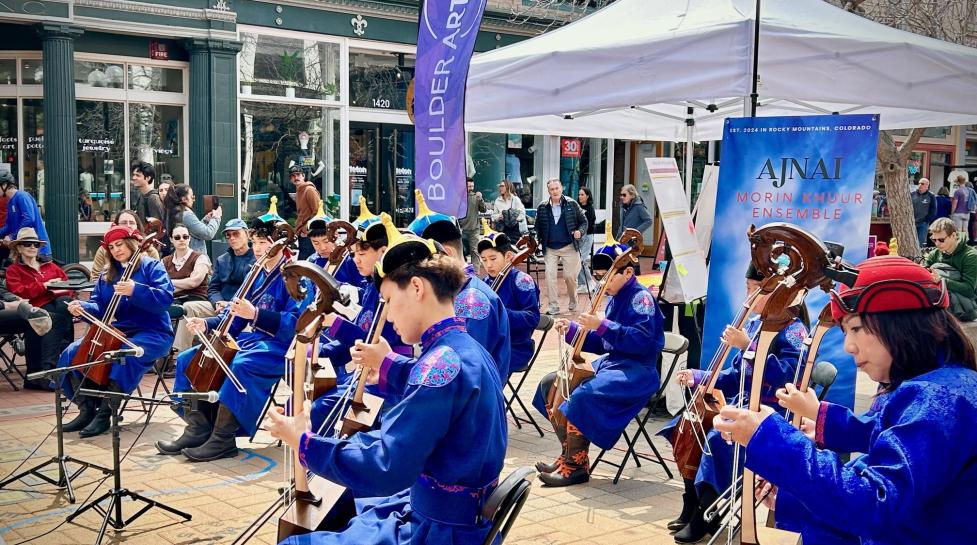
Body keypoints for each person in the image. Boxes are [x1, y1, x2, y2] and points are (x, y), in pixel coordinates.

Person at [715, 255, 977, 545]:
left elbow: (877, 503)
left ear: (900, 323)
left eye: (856, 329)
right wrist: (792, 494)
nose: (848, 346)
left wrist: (773, 439)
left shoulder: (939, 398)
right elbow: (886, 441)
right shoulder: (943, 386)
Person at [265, 230, 507, 545]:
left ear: (417, 288)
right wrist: (388, 363)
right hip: (451, 513)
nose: (389, 315)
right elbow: (439, 386)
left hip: (435, 532)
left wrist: (304, 442)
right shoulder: (466, 351)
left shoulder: (440, 364)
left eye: (390, 301)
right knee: (349, 505)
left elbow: (386, 465)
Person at [658, 263, 807, 543]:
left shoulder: (794, 331)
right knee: (688, 426)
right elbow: (737, 375)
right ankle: (692, 501)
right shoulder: (755, 323)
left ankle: (706, 513)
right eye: (748, 288)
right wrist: (700, 376)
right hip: (743, 403)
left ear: (780, 294)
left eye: (756, 290)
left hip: (772, 413)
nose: (748, 297)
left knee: (717, 438)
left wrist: (748, 345)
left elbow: (790, 375)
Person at [158, 216, 301, 461]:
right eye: (255, 242)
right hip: (254, 341)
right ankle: (197, 429)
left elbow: (297, 324)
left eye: (263, 242)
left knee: (240, 364)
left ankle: (223, 438)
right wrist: (207, 323)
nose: (257, 249)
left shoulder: (296, 276)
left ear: (279, 244)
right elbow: (233, 316)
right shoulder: (255, 272)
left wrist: (256, 314)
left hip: (281, 346)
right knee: (189, 357)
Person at [532, 240, 664, 487]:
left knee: (581, 396)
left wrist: (602, 325)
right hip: (614, 364)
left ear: (627, 272)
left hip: (637, 370)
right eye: (599, 278)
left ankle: (576, 466)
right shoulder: (615, 296)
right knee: (550, 384)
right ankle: (568, 455)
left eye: (608, 277)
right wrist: (572, 330)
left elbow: (643, 341)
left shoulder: (640, 298)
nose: (603, 283)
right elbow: (606, 343)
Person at [59, 225, 174, 437]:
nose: (116, 250)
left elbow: (166, 300)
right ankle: (87, 409)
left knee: (123, 356)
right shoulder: (107, 274)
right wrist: (82, 308)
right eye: (111, 247)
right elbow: (99, 308)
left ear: (131, 243)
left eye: (119, 244)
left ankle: (105, 414)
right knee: (72, 353)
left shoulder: (151, 266)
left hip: (154, 332)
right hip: (121, 331)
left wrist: (135, 290)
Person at [308, 213, 413, 434]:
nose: (356, 259)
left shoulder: (393, 294)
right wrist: (318, 352)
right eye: (354, 254)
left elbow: (377, 341)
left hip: (389, 379)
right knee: (315, 395)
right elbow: (360, 337)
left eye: (362, 253)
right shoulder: (370, 288)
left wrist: (336, 324)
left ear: (383, 253)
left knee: (322, 408)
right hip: (365, 372)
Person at [409, 190, 511, 380]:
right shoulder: (455, 291)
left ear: (445, 253)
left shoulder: (471, 301)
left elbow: (465, 370)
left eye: (423, 262)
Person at [4, 228, 74, 390]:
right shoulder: (14, 270)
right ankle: (51, 370)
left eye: (35, 244)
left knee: (65, 306)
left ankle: (44, 372)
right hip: (32, 308)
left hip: (56, 304)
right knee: (58, 317)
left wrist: (56, 289)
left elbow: (68, 285)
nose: (32, 247)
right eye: (27, 244)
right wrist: (44, 286)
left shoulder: (51, 266)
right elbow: (19, 292)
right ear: (19, 248)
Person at [478, 230, 540, 377]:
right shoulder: (485, 283)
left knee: (482, 368)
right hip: (491, 345)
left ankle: (490, 398)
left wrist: (500, 313)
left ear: (509, 256)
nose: (488, 265)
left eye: (493, 258)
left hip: (515, 347)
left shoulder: (521, 280)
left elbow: (533, 317)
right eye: (484, 260)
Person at [535, 179, 588, 316]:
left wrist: (579, 232)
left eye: (557, 188)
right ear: (548, 191)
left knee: (569, 277)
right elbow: (537, 227)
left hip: (569, 246)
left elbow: (584, 222)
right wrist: (536, 240)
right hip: (550, 248)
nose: (555, 191)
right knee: (550, 276)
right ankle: (553, 306)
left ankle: (573, 299)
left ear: (561, 188)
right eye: (552, 189)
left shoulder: (571, 204)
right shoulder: (542, 207)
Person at [163, 224, 214, 352]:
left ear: (189, 238)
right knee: (155, 308)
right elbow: (160, 286)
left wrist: (170, 282)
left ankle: (180, 352)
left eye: (185, 236)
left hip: (197, 298)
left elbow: (194, 282)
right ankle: (158, 352)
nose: (182, 239)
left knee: (186, 308)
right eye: (177, 237)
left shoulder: (200, 258)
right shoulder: (164, 261)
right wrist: (183, 283)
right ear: (171, 239)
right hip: (173, 299)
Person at [923, 217, 977, 321]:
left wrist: (942, 281)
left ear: (953, 235)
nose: (937, 243)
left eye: (941, 240)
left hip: (966, 304)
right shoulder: (935, 254)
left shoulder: (970, 256)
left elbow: (969, 290)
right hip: (941, 300)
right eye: (934, 240)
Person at [90, 210, 161, 279]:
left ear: (137, 226)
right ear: (116, 225)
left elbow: (157, 280)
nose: (128, 225)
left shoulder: (150, 251)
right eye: (124, 223)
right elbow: (95, 277)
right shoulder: (104, 250)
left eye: (132, 223)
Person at [208, 218, 256, 313]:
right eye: (228, 235)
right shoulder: (222, 260)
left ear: (247, 234)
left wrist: (230, 304)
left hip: (244, 308)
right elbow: (213, 288)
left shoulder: (257, 260)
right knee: (189, 307)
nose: (232, 238)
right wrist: (218, 302)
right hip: (220, 306)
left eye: (236, 234)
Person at [0, 173, 51, 260]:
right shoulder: (10, 202)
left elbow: (29, 219)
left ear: (4, 185)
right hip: (22, 249)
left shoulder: (22, 196)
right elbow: (9, 226)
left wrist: (12, 236)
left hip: (36, 248)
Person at [163, 184, 221, 254]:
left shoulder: (173, 212)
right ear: (184, 199)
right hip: (193, 258)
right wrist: (216, 218)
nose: (194, 200)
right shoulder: (186, 215)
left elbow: (195, 231)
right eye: (192, 197)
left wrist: (206, 219)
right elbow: (207, 233)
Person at [617, 184, 652, 272]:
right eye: (621, 195)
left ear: (632, 195)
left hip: (633, 241)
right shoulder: (622, 206)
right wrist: (617, 239)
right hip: (623, 240)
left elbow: (649, 220)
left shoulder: (638, 206)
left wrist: (635, 232)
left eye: (624, 195)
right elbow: (621, 225)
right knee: (623, 267)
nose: (622, 197)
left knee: (633, 266)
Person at [290, 165, 321, 260]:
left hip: (308, 232)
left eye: (298, 175)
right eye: (293, 176)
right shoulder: (299, 191)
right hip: (302, 233)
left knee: (305, 263)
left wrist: (306, 228)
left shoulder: (309, 190)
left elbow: (317, 211)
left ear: (303, 176)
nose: (296, 178)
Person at [458, 177, 487, 274]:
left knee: (474, 251)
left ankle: (476, 274)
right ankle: (463, 271)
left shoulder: (476, 197)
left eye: (472, 186)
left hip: (474, 228)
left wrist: (481, 199)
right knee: (461, 251)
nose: (471, 188)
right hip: (461, 229)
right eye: (469, 186)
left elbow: (484, 210)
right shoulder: (459, 197)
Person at [576, 186, 597, 294]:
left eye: (582, 194)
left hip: (587, 237)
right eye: (579, 194)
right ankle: (583, 284)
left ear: (587, 196)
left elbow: (588, 225)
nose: (580, 196)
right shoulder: (577, 207)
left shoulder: (590, 209)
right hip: (579, 238)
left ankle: (590, 282)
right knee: (577, 261)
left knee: (582, 261)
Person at [910, 178, 936, 247]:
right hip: (912, 223)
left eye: (922, 184)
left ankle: (920, 257)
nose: (920, 185)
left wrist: (926, 220)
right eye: (919, 183)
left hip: (923, 224)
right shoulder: (912, 194)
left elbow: (933, 210)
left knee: (920, 243)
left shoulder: (931, 196)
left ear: (927, 186)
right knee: (911, 243)